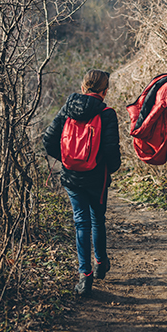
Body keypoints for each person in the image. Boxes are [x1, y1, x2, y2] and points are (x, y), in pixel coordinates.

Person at [42, 69, 121, 297]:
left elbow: (48, 139)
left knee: (81, 223)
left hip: (72, 177)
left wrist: (67, 161)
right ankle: (100, 263)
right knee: (97, 219)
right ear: (104, 91)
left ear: (82, 86)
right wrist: (107, 168)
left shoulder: (68, 109)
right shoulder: (107, 113)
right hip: (97, 178)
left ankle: (84, 276)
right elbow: (111, 151)